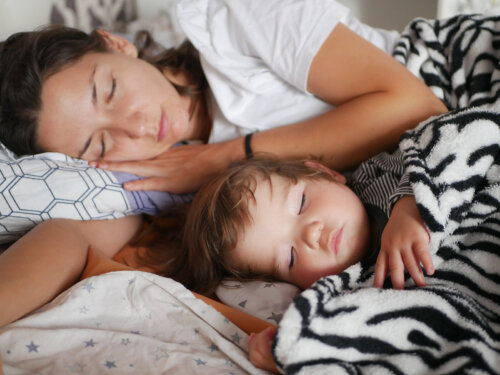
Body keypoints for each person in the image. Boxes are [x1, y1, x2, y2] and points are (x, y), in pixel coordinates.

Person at [0, 0, 445, 327]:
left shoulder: (237, 20)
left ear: (117, 44)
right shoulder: (164, 172)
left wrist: (228, 154)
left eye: (110, 90)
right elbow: (70, 237)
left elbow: (417, 107)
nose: (133, 127)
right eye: (98, 143)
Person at [182, 155, 436, 372]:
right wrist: (290, 356)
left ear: (323, 172)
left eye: (301, 203)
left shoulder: (380, 174)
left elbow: (443, 143)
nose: (311, 234)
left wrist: (410, 204)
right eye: (290, 258)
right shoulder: (339, 301)